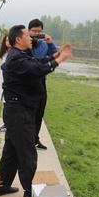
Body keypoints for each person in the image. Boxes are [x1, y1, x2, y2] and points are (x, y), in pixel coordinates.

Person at [0, 25, 72, 197]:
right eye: (27, 35)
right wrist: (60, 60)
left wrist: (55, 55)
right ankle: (31, 193)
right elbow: (37, 70)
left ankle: (1, 186)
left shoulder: (21, 55)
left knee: (11, 151)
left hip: (18, 110)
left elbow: (37, 63)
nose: (31, 38)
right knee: (27, 153)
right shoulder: (16, 58)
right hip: (19, 111)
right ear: (18, 39)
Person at [27, 19, 58, 150]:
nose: (36, 33)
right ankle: (26, 140)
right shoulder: (24, 43)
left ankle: (35, 139)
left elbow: (55, 56)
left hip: (40, 82)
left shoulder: (44, 45)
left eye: (39, 31)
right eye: (33, 31)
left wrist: (50, 43)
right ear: (28, 31)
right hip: (26, 82)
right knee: (27, 113)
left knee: (39, 112)